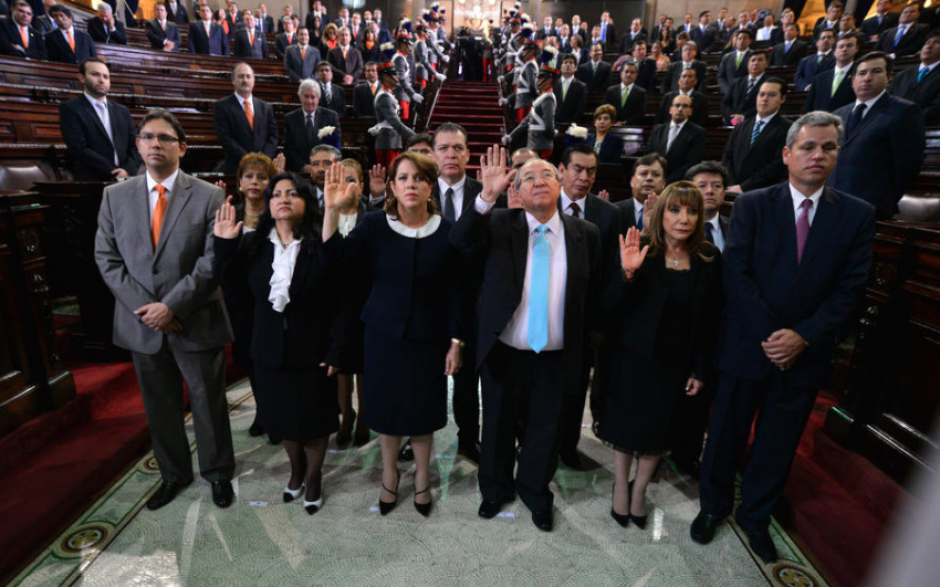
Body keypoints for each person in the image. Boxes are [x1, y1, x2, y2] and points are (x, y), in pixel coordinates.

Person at [692, 111, 877, 564]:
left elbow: (851, 289)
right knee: (725, 432)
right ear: (787, 153)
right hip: (747, 344)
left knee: (778, 439)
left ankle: (755, 516)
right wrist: (773, 336)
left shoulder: (856, 215)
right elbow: (737, 275)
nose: (818, 155)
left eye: (829, 147)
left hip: (806, 353)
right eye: (809, 146)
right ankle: (713, 506)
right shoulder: (754, 204)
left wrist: (802, 337)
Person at [450, 148, 602, 532]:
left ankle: (536, 492)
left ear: (561, 183)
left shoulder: (586, 234)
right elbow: (459, 242)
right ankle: (494, 490)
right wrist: (485, 198)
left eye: (546, 175)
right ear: (515, 189)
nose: (539, 182)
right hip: (506, 350)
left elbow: (593, 294)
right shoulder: (500, 223)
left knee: (544, 431)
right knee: (497, 426)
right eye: (528, 178)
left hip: (555, 354)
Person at [94, 109, 236, 512]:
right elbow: (107, 258)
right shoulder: (114, 195)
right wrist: (149, 310)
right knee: (160, 407)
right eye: (147, 137)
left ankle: (219, 473)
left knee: (209, 403)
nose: (155, 144)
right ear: (137, 145)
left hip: (195, 318)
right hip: (142, 324)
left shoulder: (209, 194)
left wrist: (171, 306)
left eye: (165, 138)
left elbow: (211, 261)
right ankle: (174, 474)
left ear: (182, 148)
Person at [322, 153, 467, 517]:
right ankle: (389, 475)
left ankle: (421, 478)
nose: (410, 185)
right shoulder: (373, 226)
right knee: (385, 411)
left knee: (422, 412)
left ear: (430, 186)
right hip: (383, 336)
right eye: (402, 178)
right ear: (391, 186)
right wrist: (332, 210)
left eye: (419, 178)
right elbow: (336, 263)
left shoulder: (448, 231)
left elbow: (457, 293)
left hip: (429, 339)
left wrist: (455, 340)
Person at [214, 172, 341, 515]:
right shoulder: (253, 246)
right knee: (284, 419)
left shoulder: (321, 241)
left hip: (313, 348)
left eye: (293, 193)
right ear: (269, 204)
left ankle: (313, 478)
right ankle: (296, 469)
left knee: (314, 421)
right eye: (277, 194)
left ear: (306, 202)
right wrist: (224, 244)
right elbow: (234, 292)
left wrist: (336, 348)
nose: (283, 199)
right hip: (269, 349)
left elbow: (339, 300)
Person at [600, 181, 721, 530]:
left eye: (692, 211)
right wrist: (627, 273)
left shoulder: (708, 259)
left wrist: (700, 369)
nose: (683, 218)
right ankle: (621, 486)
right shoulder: (642, 248)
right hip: (632, 357)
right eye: (675, 209)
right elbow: (608, 310)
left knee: (658, 431)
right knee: (626, 428)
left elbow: (710, 321)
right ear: (661, 212)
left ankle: (640, 491)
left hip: (676, 363)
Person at [554, 145, 623, 467]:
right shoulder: (541, 204)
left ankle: (568, 448)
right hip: (540, 317)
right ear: (561, 170)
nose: (584, 177)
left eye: (591, 171)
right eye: (578, 169)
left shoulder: (609, 214)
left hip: (583, 323)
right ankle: (528, 444)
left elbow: (610, 276)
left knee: (573, 389)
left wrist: (599, 325)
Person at [426, 122, 485, 462]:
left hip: (474, 301)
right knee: (424, 375)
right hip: (429, 301)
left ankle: (468, 438)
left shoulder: (486, 191)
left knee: (467, 380)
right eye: (444, 148)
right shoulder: (419, 189)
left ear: (467, 153)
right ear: (433, 155)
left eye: (457, 148)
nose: (451, 154)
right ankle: (418, 432)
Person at [829, 51, 925, 218]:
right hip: (831, 202)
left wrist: (884, 200)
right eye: (862, 73)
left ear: (889, 77)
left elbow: (908, 165)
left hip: (872, 207)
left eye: (876, 71)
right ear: (852, 80)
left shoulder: (903, 111)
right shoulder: (838, 114)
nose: (867, 78)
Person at [332, 158, 371, 447]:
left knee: (364, 365)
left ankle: (366, 417)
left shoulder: (372, 217)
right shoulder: (325, 215)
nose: (346, 185)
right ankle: (346, 414)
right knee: (340, 364)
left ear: (360, 184)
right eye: (340, 179)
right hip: (334, 304)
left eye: (351, 179)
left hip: (365, 302)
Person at [59, 58, 139, 182]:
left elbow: (135, 145)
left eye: (106, 77)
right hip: (92, 181)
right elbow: (78, 147)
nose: (102, 80)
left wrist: (127, 169)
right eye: (95, 74)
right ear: (82, 78)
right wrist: (113, 172)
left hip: (126, 178)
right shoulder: (71, 108)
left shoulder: (122, 110)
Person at [722, 78, 790, 193]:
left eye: (771, 95)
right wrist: (732, 184)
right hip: (733, 189)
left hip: (765, 192)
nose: (764, 99)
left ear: (782, 99)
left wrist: (745, 187)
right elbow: (727, 157)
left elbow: (777, 166)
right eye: (761, 94)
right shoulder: (740, 127)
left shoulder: (787, 128)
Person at [214, 63, 278, 176]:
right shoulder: (222, 106)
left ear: (254, 80)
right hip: (237, 167)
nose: (245, 80)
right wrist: (248, 159)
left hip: (263, 167)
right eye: (241, 76)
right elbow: (225, 138)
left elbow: (273, 136)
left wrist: (263, 159)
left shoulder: (266, 107)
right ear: (233, 80)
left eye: (248, 76)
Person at [283, 80, 341, 174]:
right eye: (306, 96)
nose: (309, 101)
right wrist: (303, 166)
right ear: (300, 97)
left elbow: (335, 146)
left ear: (319, 98)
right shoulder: (290, 119)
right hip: (299, 171)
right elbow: (288, 149)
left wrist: (321, 166)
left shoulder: (331, 117)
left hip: (325, 171)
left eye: (313, 97)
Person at [646, 94, 706, 184]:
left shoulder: (697, 132)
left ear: (690, 111)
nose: (680, 109)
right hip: (655, 179)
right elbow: (648, 155)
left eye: (685, 106)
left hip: (679, 183)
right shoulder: (658, 130)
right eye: (677, 105)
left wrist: (668, 181)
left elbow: (692, 163)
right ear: (670, 110)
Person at [505, 63, 560, 160]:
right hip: (535, 143)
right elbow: (526, 121)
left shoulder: (548, 98)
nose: (537, 80)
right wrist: (511, 136)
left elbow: (548, 126)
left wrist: (554, 133)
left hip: (541, 145)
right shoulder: (543, 96)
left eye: (541, 78)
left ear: (549, 80)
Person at [888, 29, 940, 126]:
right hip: (894, 126)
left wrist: (909, 119)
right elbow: (887, 99)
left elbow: (936, 108)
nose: (929, 46)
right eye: (927, 42)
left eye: (937, 42)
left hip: (926, 128)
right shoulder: (902, 74)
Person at [370, 60, 415, 168]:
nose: (397, 77)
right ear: (386, 77)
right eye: (394, 74)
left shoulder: (388, 94)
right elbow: (395, 123)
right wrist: (415, 137)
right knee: (388, 176)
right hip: (387, 142)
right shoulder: (384, 97)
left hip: (391, 141)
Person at [804, 32, 860, 113]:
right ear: (834, 51)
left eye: (849, 46)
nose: (844, 49)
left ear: (856, 49)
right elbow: (808, 108)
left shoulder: (860, 75)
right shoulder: (819, 78)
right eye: (841, 46)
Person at [616, 154, 667, 233]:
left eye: (656, 174)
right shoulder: (615, 211)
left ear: (663, 183)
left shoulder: (670, 213)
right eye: (643, 174)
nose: (649, 178)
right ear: (632, 181)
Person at [721, 51, 769, 125]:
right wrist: (733, 119)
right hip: (732, 124)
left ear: (767, 64)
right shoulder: (736, 82)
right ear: (748, 64)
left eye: (760, 60)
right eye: (753, 60)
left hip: (755, 124)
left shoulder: (770, 83)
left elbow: (768, 105)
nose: (755, 63)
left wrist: (743, 117)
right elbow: (725, 104)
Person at [391, 32, 423, 121]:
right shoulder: (399, 59)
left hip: (404, 95)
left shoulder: (402, 57)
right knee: (402, 124)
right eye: (409, 45)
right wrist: (412, 94)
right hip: (400, 95)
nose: (411, 47)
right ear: (402, 45)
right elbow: (401, 80)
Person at [717, 30, 753, 95]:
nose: (741, 41)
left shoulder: (753, 56)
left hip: (747, 93)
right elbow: (720, 76)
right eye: (739, 38)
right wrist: (727, 91)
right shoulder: (727, 57)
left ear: (750, 41)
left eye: (745, 38)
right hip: (728, 94)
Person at [554, 53, 586, 125]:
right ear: (561, 67)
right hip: (554, 123)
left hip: (572, 125)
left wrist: (570, 123)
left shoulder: (581, 86)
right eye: (565, 62)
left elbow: (580, 109)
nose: (568, 65)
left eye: (571, 62)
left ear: (575, 68)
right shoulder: (553, 85)